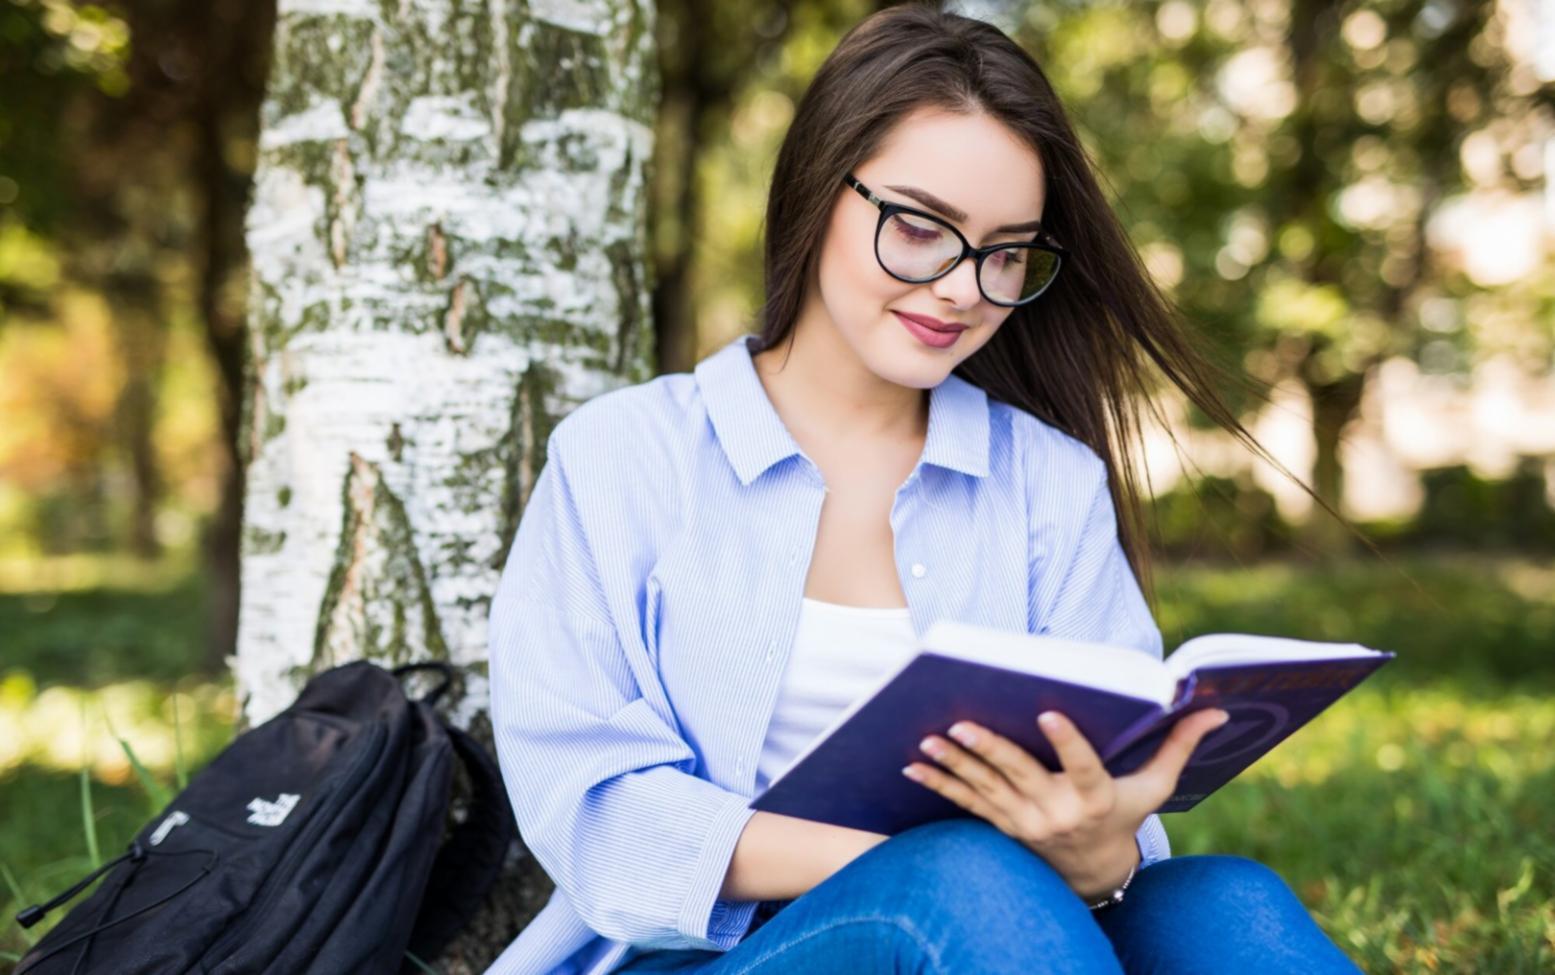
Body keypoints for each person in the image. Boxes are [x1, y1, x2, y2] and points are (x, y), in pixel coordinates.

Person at [485, 3, 1362, 973]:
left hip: (1010, 925)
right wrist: (933, 861)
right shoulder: (623, 456)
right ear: (821, 189)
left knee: (1228, 905)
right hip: (708, 955)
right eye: (918, 228)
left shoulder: (1047, 482)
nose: (959, 288)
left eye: (1005, 252)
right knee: (959, 884)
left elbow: (1113, 805)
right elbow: (593, 806)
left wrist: (1100, 847)